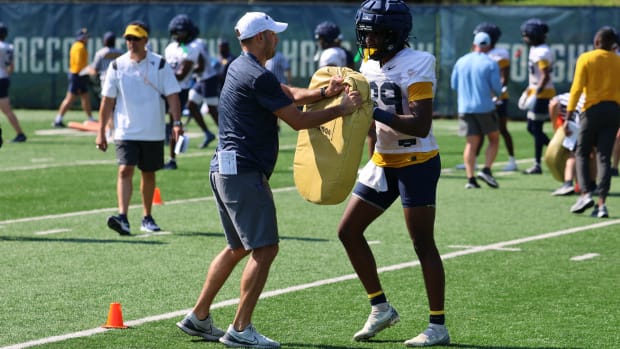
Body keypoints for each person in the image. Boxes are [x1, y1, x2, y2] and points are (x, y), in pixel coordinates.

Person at [175, 11, 361, 349]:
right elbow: (297, 121)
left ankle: (199, 317)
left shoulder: (240, 66)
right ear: (260, 37)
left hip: (224, 168)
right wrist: (341, 108)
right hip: (243, 171)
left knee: (238, 247)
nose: (277, 38)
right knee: (265, 247)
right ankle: (240, 329)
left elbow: (286, 92)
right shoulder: (257, 75)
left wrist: (323, 93)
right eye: (273, 34)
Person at [337, 0, 449, 347]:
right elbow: (369, 122)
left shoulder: (418, 63)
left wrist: (374, 111)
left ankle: (437, 325)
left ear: (393, 33)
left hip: (417, 162)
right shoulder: (368, 64)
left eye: (373, 30)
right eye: (364, 29)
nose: (366, 36)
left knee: (422, 242)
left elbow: (420, 122)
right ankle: (380, 307)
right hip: (384, 162)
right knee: (348, 232)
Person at [95, 21, 182, 235]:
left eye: (135, 38)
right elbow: (107, 101)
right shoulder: (116, 65)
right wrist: (101, 132)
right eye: (128, 38)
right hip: (125, 130)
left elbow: (172, 95)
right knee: (124, 169)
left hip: (152, 129)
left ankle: (147, 216)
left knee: (149, 173)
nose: (130, 42)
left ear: (146, 40)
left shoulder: (160, 64)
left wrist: (177, 123)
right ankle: (123, 217)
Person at [566, 26, 620, 218]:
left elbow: (577, 88)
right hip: (614, 110)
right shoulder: (618, 61)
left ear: (597, 42)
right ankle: (602, 203)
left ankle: (585, 193)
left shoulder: (586, 58)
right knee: (604, 156)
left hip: (592, 109)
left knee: (582, 151)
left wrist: (569, 114)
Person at [451, 32, 503, 189]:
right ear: (488, 46)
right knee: (494, 138)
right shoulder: (490, 63)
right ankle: (486, 169)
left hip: (465, 108)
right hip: (485, 107)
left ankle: (471, 179)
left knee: (471, 144)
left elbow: (454, 85)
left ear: (474, 44)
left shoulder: (461, 61)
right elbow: (497, 88)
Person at [474, 22, 518, 171]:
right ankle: (473, 161)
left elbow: (505, 77)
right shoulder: (477, 50)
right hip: (483, 97)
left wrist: (496, 94)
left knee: (502, 129)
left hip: (499, 98)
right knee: (478, 131)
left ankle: (512, 160)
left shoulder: (500, 53)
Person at [163, 14, 201, 170]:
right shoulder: (170, 47)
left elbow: (181, 75)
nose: (179, 35)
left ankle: (172, 159)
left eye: (183, 32)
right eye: (177, 31)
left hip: (180, 90)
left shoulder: (192, 49)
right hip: (164, 88)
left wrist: (161, 75)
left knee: (175, 123)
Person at [520, 19, 555, 175]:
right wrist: (530, 89)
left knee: (535, 127)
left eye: (527, 36)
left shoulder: (541, 51)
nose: (525, 39)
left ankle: (539, 162)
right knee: (532, 127)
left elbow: (545, 75)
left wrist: (537, 92)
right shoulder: (537, 49)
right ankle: (553, 148)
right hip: (537, 91)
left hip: (543, 93)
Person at [53, 28, 96, 128]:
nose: (87, 39)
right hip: (77, 75)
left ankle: (90, 118)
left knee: (85, 97)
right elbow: (78, 64)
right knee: (70, 99)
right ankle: (58, 119)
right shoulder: (79, 47)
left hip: (80, 74)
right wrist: (88, 70)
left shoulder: (79, 46)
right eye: (85, 37)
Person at [187, 23, 218, 149]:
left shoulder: (197, 44)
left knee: (212, 110)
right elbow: (186, 56)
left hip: (208, 78)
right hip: (201, 80)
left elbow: (200, 67)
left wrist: (185, 70)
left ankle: (227, 134)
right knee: (191, 105)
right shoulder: (187, 45)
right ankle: (208, 133)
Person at [89, 31, 123, 139]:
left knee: (107, 106)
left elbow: (94, 69)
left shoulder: (100, 53)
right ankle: (117, 129)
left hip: (106, 81)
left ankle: (109, 130)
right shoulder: (121, 52)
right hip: (120, 80)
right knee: (118, 106)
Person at [0, 22, 26, 142]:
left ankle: (20, 133)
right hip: (4, 78)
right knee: (6, 109)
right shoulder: (9, 47)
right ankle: (20, 133)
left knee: (6, 109)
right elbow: (11, 67)